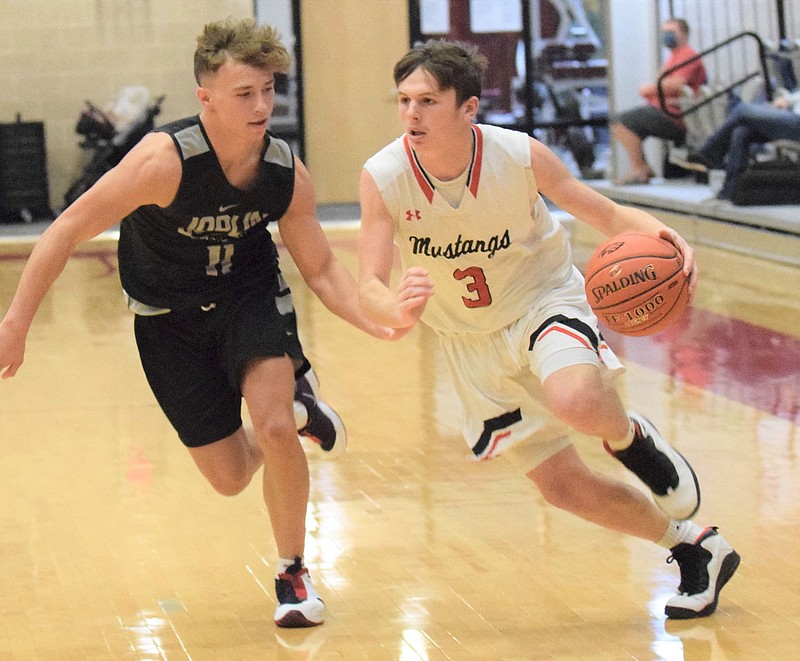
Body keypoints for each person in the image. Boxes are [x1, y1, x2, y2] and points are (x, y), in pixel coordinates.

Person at [0, 18, 392, 629]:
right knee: (230, 477)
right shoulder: (161, 162)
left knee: (273, 429)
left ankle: (292, 571)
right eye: (245, 94)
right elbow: (65, 230)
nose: (262, 104)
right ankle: (301, 411)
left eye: (268, 90)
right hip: (168, 321)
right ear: (205, 98)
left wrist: (376, 321)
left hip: (250, 299)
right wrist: (17, 322)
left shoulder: (286, 171)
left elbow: (320, 267)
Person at [357, 39, 740, 620]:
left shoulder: (519, 155)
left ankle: (630, 439)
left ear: (469, 109)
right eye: (404, 100)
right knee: (563, 489)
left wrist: (663, 235)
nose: (411, 114)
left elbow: (605, 214)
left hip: (542, 300)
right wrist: (396, 310)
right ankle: (693, 547)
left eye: (428, 101)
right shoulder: (383, 177)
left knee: (576, 397)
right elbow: (369, 283)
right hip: (468, 341)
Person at [611, 18, 707, 185]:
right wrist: (654, 89)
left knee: (620, 120)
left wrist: (650, 88)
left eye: (671, 32)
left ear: (683, 34)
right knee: (625, 121)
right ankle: (640, 167)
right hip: (665, 109)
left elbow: (675, 85)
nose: (666, 36)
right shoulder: (673, 57)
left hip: (679, 115)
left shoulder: (688, 55)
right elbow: (661, 88)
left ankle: (640, 169)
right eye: (664, 32)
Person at [672, 88, 800, 199]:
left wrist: (788, 100)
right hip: (791, 115)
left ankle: (709, 153)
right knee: (741, 131)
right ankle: (730, 190)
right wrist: (788, 100)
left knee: (742, 111)